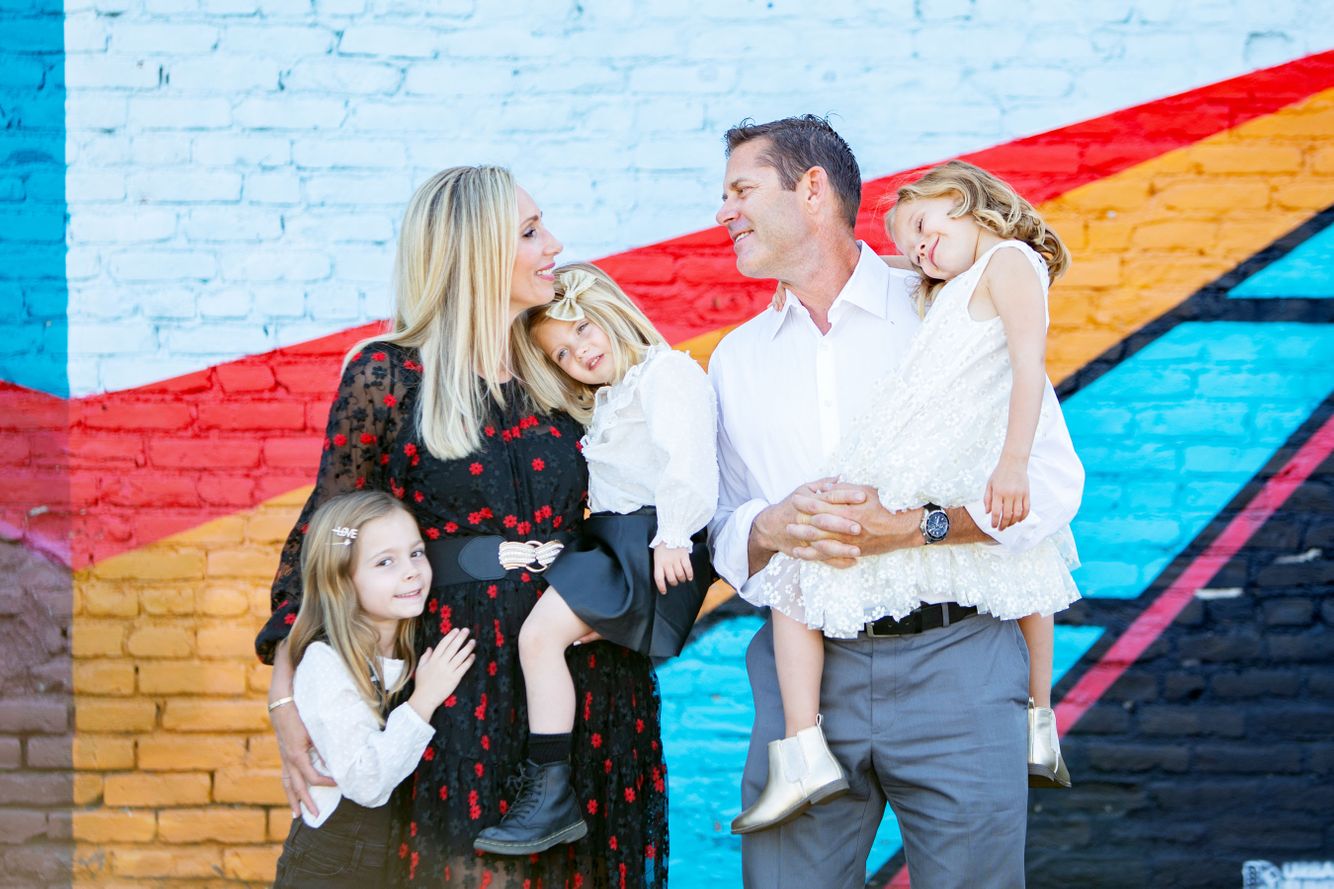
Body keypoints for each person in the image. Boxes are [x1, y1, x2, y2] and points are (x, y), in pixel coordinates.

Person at [257, 166, 669, 889]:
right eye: (531, 231)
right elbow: (320, 553)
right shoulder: (388, 377)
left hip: (584, 690)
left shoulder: (565, 369)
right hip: (457, 698)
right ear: (477, 250)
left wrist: (633, 603)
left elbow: (651, 503)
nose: (555, 245)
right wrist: (286, 698)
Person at [707, 116, 1085, 889]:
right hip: (804, 677)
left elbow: (1048, 487)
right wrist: (771, 525)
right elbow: (722, 528)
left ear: (812, 190)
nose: (723, 213)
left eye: (741, 190)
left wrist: (914, 529)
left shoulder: (947, 309)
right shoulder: (736, 360)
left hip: (959, 664)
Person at [472, 262, 717, 855]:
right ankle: (551, 787)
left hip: (650, 542)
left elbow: (688, 457)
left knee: (537, 639)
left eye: (582, 329)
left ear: (608, 311)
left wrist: (674, 535)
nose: (578, 352)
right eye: (560, 353)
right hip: (617, 541)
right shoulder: (612, 396)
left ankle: (551, 793)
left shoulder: (666, 374)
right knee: (541, 637)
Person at [273, 490, 476, 887]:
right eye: (386, 562)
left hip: (392, 856)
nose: (411, 572)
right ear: (340, 580)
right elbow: (365, 782)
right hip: (331, 864)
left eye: (416, 553)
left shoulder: (408, 643)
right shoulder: (325, 662)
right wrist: (424, 699)